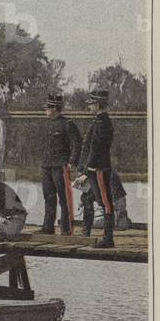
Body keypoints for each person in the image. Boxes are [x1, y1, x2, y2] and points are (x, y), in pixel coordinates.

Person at [74, 89, 116, 247]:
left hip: (98, 168)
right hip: (94, 169)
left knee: (106, 203)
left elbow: (97, 148)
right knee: (93, 200)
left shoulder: (102, 123)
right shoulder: (99, 121)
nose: (89, 106)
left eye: (91, 104)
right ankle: (91, 233)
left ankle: (108, 238)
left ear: (98, 104)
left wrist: (87, 170)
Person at [38, 92, 82, 235]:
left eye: (48, 107)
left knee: (64, 198)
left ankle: (66, 228)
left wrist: (71, 162)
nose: (46, 110)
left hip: (60, 166)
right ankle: (48, 227)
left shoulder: (67, 124)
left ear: (55, 109)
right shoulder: (48, 125)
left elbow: (77, 143)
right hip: (47, 166)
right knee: (48, 197)